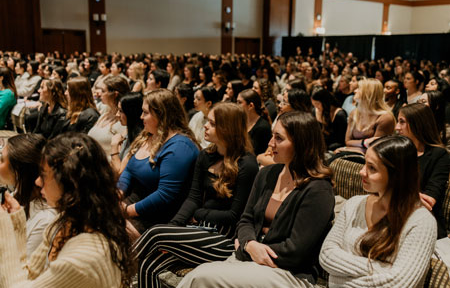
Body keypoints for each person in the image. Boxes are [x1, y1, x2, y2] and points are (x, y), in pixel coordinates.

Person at [178, 111, 335, 288]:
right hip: (251, 258)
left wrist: (247, 247)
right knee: (200, 276)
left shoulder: (318, 189)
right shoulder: (268, 174)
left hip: (289, 273)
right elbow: (246, 219)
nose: (270, 143)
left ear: (301, 144)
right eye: (271, 136)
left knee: (200, 277)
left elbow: (296, 251)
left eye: (279, 138)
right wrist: (249, 244)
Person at [133, 102, 259, 288]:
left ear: (228, 128)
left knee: (155, 233)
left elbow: (235, 216)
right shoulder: (206, 156)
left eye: (213, 123)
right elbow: (192, 197)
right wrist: (173, 229)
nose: (205, 126)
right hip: (200, 230)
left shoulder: (247, 164)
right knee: (148, 265)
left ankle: (111, 271)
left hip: (224, 239)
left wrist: (198, 214)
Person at [0, 133, 134, 287]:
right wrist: (16, 222)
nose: (37, 181)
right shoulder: (63, 222)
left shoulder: (83, 258)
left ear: (67, 182)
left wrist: (5, 228)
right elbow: (28, 272)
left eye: (43, 175)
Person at [320, 135, 437, 287]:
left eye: (372, 168)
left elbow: (398, 284)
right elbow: (326, 255)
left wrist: (339, 280)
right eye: (365, 164)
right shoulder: (354, 204)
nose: (362, 172)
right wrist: (384, 270)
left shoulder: (421, 222)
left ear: (397, 175)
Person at [117, 89, 200, 236]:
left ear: (161, 114)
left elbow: (166, 194)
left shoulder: (180, 146)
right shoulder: (149, 135)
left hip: (155, 217)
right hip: (133, 203)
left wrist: (128, 210)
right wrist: (119, 193)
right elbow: (129, 170)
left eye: (145, 112)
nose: (141, 117)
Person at [396, 103, 450, 238]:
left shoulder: (439, 155)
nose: (397, 127)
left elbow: (429, 200)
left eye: (402, 122)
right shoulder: (397, 150)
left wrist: (393, 192)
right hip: (395, 216)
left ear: (417, 124)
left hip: (425, 223)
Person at [0, 133, 56, 257]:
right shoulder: (17, 194)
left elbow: (25, 268)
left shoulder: (44, 220)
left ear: (18, 170)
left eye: (2, 159)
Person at [338, 78, 395, 155]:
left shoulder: (385, 117)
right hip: (355, 155)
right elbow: (348, 142)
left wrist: (347, 149)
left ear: (369, 93)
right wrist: (364, 143)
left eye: (359, 88)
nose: (355, 91)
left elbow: (375, 149)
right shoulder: (354, 113)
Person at [88, 76, 129, 159]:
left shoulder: (123, 121)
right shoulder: (105, 114)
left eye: (103, 91)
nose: (99, 94)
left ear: (115, 94)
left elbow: (121, 154)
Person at [110, 92, 144, 173]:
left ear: (131, 112)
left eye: (121, 111)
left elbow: (119, 174)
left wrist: (114, 146)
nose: (117, 115)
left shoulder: (141, 138)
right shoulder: (127, 131)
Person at [237, 89, 272, 155]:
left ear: (250, 106)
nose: (236, 105)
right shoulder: (241, 121)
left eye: (239, 102)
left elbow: (256, 154)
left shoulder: (263, 127)